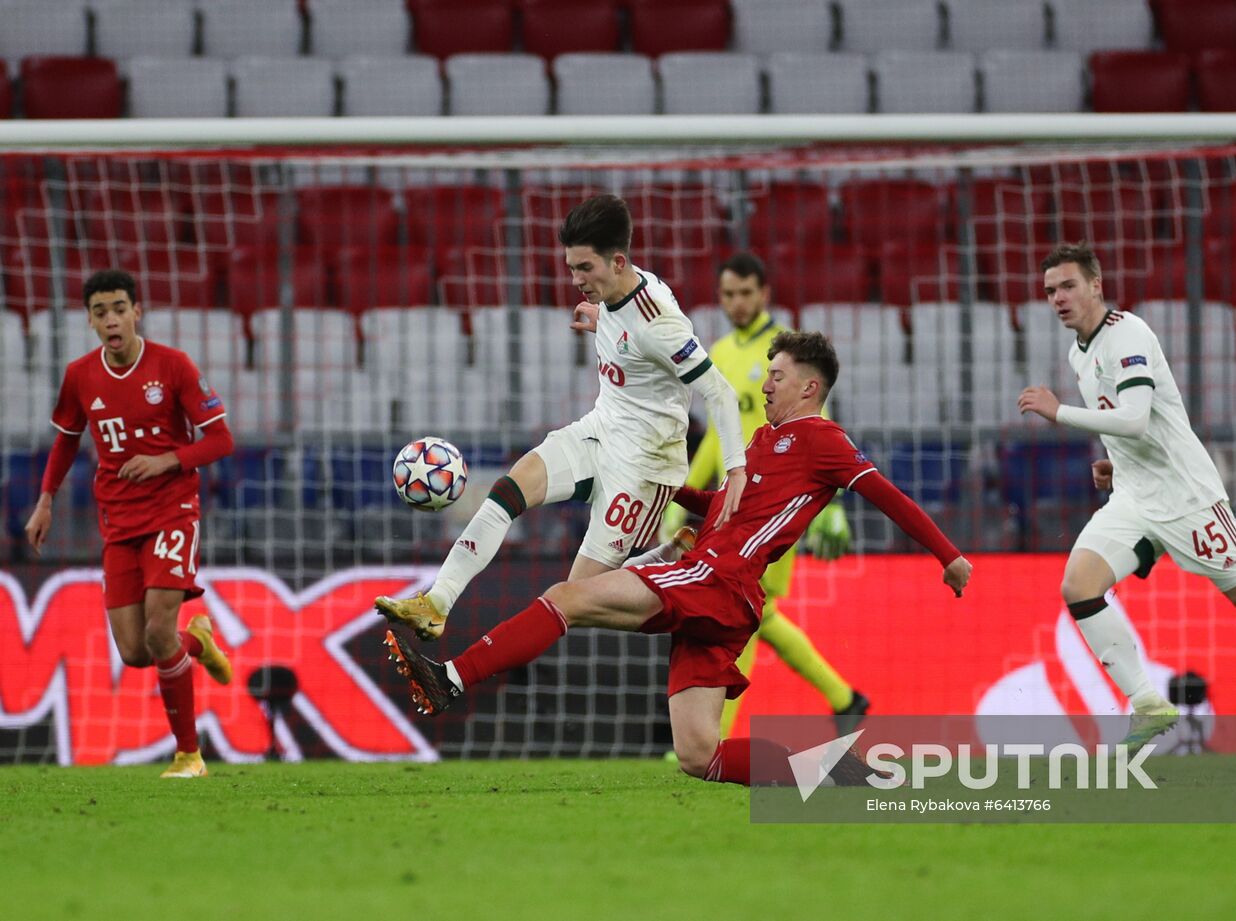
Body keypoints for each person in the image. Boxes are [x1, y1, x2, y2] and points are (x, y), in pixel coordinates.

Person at [382, 331, 972, 785]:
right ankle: (833, 774)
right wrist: (669, 490)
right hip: (726, 598)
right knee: (698, 756)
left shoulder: (824, 439)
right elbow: (725, 507)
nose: (766, 385)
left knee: (566, 598)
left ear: (809, 388)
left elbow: (887, 495)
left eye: (777, 376)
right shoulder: (764, 441)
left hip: (716, 579)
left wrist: (947, 555)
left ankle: (451, 679)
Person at [1017, 243, 1236, 768]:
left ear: (1096, 285)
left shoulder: (1128, 334)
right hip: (1135, 497)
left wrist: (1059, 412)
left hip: (1188, 498)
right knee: (1078, 586)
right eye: (1050, 290)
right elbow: (1134, 430)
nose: (1058, 298)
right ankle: (1147, 704)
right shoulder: (1080, 353)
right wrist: (1117, 463)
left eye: (1068, 285)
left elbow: (1136, 417)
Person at [375, 194, 747, 640]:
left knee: (572, 600)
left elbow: (719, 392)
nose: (575, 280)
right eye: (571, 268)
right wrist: (604, 321)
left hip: (644, 468)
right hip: (599, 431)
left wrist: (735, 471)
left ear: (618, 262)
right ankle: (437, 602)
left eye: (584, 268)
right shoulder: (622, 294)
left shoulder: (659, 324)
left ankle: (664, 560)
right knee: (509, 490)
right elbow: (630, 330)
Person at [24, 269, 236, 778]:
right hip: (118, 523)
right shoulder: (80, 375)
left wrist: (168, 461)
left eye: (120, 309)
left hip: (172, 512)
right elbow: (67, 440)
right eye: (101, 312)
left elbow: (221, 440)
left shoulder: (173, 365)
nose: (112, 320)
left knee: (160, 631)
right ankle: (199, 641)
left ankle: (189, 756)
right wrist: (46, 500)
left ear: (136, 312)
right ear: (90, 321)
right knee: (137, 652)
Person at [666, 252, 868, 737]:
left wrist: (834, 505)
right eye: (728, 294)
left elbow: (820, 427)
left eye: (745, 293)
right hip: (733, 505)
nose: (736, 302)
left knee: (742, 612)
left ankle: (715, 737)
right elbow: (717, 438)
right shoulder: (718, 352)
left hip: (778, 505)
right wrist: (681, 496)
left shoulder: (787, 354)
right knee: (757, 612)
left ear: (764, 294)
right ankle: (845, 699)